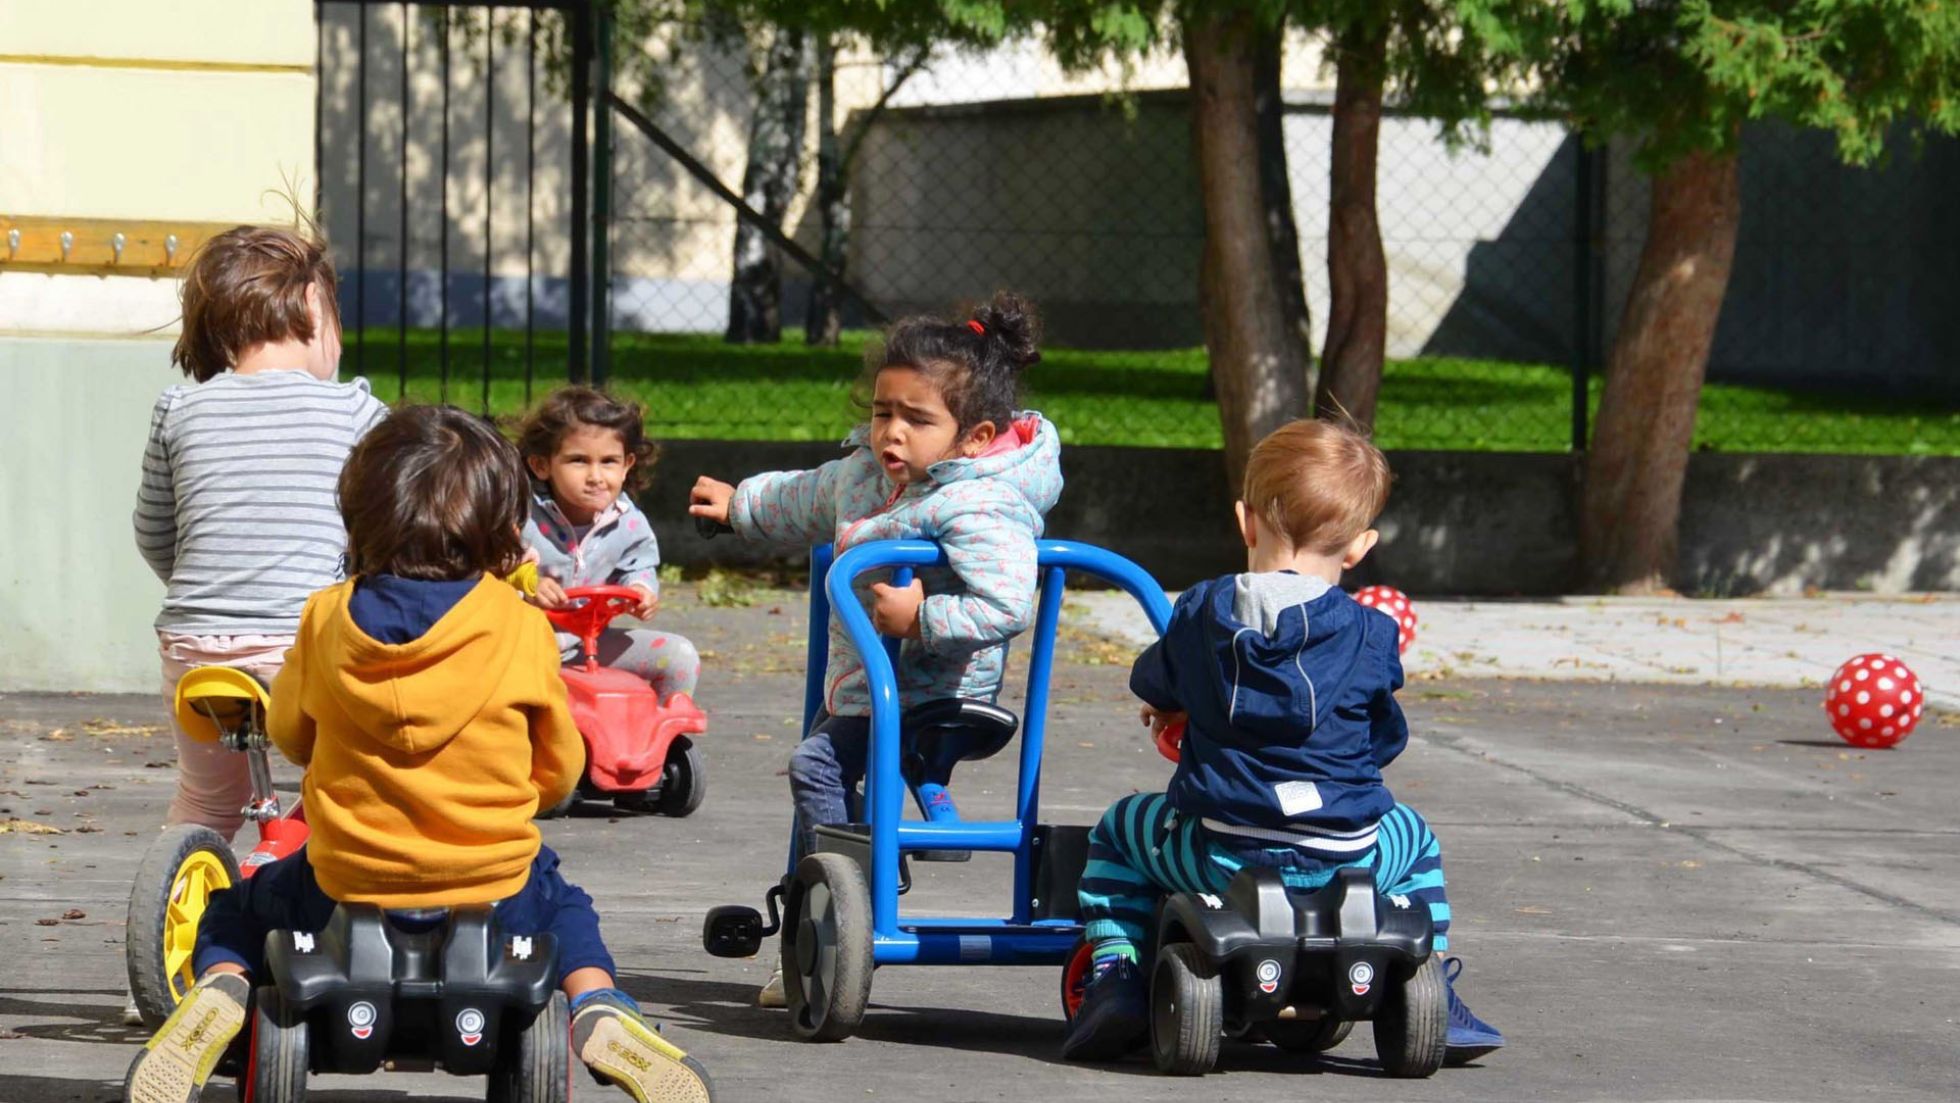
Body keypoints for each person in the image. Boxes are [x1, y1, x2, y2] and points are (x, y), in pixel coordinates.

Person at [123, 406, 713, 1103]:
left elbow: (292, 734)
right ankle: (599, 1007)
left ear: (359, 514)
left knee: (236, 908)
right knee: (564, 908)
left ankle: (220, 991)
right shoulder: (522, 628)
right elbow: (558, 769)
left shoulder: (326, 616)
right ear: (501, 525)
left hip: (344, 880)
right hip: (494, 886)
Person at [1062, 418, 1503, 1066]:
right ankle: (1430, 965)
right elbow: (1383, 738)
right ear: (1358, 548)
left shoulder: (1203, 612)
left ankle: (1117, 971)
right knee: (1416, 839)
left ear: (1246, 522)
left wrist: (1176, 703)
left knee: (1121, 828)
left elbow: (1149, 678)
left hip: (1224, 852)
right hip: (1347, 850)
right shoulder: (1371, 633)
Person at [689, 291, 1061, 1006]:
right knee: (835, 766)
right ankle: (828, 918)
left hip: (940, 696)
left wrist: (924, 613)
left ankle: (859, 875)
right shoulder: (865, 473)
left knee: (814, 761)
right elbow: (802, 495)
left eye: (917, 420)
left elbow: (1009, 600)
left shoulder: (981, 503)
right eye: (883, 412)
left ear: (976, 437)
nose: (892, 432)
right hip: (868, 685)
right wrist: (740, 505)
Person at [133, 225, 387, 842]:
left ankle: (181, 891)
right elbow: (388, 530)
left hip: (193, 645)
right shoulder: (355, 409)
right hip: (304, 643)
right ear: (311, 308)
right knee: (359, 779)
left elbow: (154, 534)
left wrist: (216, 589)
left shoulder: (179, 408)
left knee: (206, 801)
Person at [512, 385, 698, 701]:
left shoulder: (628, 521)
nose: (596, 476)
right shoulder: (519, 515)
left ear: (627, 465)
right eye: (579, 461)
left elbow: (639, 564)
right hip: (521, 647)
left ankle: (664, 741)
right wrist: (528, 586)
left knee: (680, 656)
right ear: (542, 465)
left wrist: (641, 591)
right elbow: (493, 565)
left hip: (589, 643)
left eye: (609, 461)